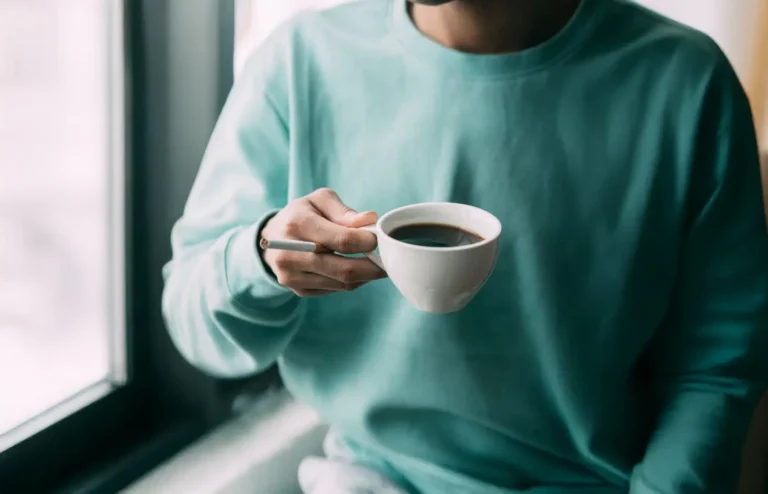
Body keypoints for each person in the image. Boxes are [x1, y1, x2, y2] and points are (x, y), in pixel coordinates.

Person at [162, 0, 768, 492]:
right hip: (368, 480)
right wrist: (261, 258)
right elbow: (193, 320)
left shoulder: (686, 85)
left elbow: (713, 370)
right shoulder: (300, 64)